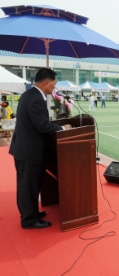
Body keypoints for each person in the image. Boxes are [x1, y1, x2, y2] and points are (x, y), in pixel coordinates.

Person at [9, 68, 71, 229]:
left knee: (28, 184)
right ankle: (29, 219)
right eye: (54, 84)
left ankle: (31, 212)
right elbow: (43, 127)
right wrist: (63, 129)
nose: (54, 88)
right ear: (46, 83)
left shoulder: (29, 94)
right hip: (29, 150)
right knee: (28, 186)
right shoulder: (36, 99)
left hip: (24, 148)